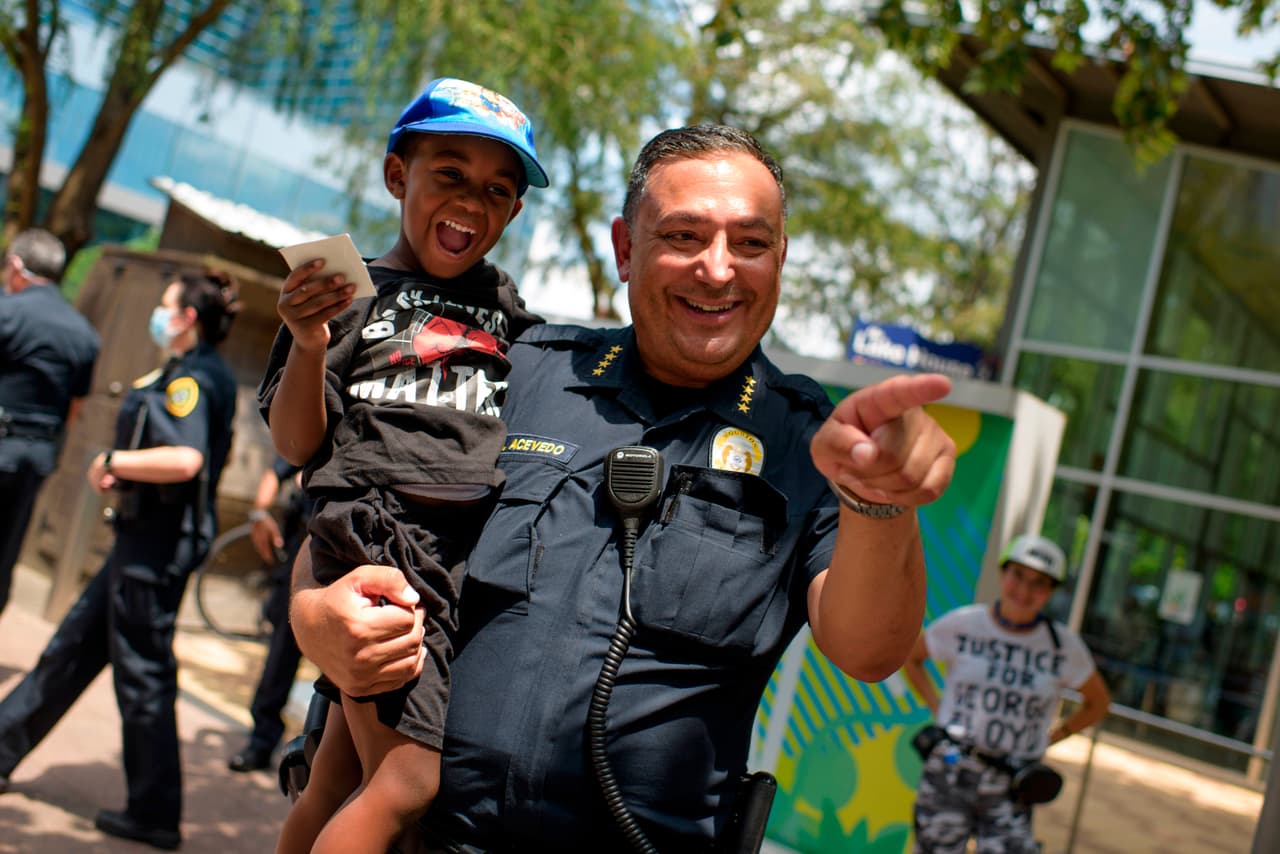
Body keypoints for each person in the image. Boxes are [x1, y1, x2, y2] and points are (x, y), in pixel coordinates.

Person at [287, 123, 958, 850]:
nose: (719, 269)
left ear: (781, 259)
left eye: (752, 244)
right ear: (625, 250)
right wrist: (314, 615)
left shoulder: (813, 445)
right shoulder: (520, 367)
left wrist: (880, 502)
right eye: (684, 236)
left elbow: (868, 651)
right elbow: (367, 502)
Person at [259, 77, 548, 854]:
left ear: (514, 212)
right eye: (448, 174)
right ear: (398, 177)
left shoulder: (507, 309)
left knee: (334, 776)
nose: (472, 202)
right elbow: (295, 445)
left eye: (497, 189)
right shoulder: (343, 295)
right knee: (410, 782)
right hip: (378, 541)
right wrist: (313, 343)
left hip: (455, 555)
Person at [0, 271, 239, 850]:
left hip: (154, 551)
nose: (159, 314)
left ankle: (155, 812)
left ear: (186, 318)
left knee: (143, 678)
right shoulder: (193, 371)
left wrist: (114, 460)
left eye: (165, 306)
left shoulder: (195, 379)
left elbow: (185, 458)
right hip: (142, 542)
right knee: (72, 649)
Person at [902, 534, 1112, 854]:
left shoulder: (1063, 647)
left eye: (1039, 583)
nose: (1025, 590)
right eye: (1018, 575)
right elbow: (911, 657)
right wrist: (938, 707)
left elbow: (1097, 703)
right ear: (1003, 574)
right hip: (952, 769)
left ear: (1051, 592)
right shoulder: (964, 624)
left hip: (1012, 783)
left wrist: (1053, 736)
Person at [0, 228, 100, 617]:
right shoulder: (84, 334)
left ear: (16, 266)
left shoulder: (8, 310)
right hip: (38, 454)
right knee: (7, 546)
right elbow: (75, 408)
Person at [227, 454, 314, 774]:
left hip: (352, 551)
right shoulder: (327, 418)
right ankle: (261, 741)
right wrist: (259, 513)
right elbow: (276, 469)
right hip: (303, 546)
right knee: (280, 652)